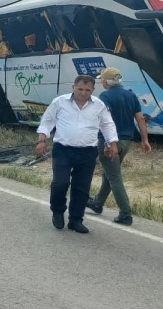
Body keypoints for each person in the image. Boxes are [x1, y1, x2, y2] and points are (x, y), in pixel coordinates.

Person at [37, 74, 119, 234]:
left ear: (93, 90)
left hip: (87, 152)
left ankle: (75, 220)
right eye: (80, 89)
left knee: (81, 188)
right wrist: (41, 140)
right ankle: (58, 211)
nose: (83, 93)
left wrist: (112, 143)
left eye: (87, 90)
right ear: (73, 87)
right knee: (60, 183)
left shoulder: (99, 105)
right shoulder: (59, 102)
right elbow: (47, 121)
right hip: (63, 149)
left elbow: (107, 124)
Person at [87, 67, 152, 226]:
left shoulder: (105, 96)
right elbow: (140, 119)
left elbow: (104, 120)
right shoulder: (131, 95)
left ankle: (125, 213)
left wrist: (109, 143)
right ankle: (98, 202)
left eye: (102, 79)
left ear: (106, 82)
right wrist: (145, 140)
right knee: (110, 173)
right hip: (126, 141)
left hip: (109, 142)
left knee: (114, 176)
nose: (101, 82)